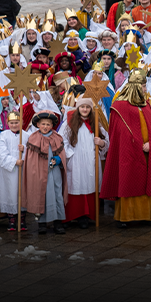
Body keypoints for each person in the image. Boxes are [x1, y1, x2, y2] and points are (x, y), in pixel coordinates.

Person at [100, 68, 151, 228]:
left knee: (148, 181)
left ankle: (150, 216)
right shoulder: (119, 107)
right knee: (129, 181)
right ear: (136, 87)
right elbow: (119, 134)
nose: (145, 90)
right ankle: (126, 217)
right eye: (143, 87)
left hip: (148, 152)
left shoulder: (146, 105)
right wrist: (137, 146)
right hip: (128, 154)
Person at [58, 97, 108, 228]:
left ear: (91, 108)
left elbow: (106, 140)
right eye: (82, 107)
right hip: (75, 160)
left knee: (90, 184)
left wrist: (101, 143)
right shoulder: (69, 123)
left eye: (87, 107)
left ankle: (86, 216)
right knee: (76, 184)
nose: (85, 109)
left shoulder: (96, 122)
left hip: (91, 159)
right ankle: (73, 215)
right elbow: (61, 141)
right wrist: (71, 155)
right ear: (78, 108)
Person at [23, 111, 67, 234]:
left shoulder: (57, 137)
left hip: (54, 172)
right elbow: (31, 159)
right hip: (40, 173)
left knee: (57, 194)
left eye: (48, 124)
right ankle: (42, 223)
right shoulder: (33, 138)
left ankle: (58, 223)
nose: (45, 126)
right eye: (43, 124)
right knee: (42, 195)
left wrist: (58, 159)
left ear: (52, 125)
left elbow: (62, 154)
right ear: (37, 124)